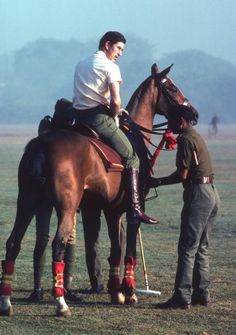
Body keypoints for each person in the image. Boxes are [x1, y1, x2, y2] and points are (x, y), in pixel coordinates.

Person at [72, 31, 157, 225]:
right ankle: (135, 207)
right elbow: (116, 100)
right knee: (131, 157)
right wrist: (115, 111)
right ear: (108, 44)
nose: (120, 53)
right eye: (119, 48)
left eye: (122, 50)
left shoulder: (82, 62)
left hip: (79, 121)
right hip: (100, 120)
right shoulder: (110, 66)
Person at [149, 105, 220, 309]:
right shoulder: (195, 136)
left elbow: (182, 175)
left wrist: (158, 181)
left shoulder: (185, 139)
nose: (169, 125)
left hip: (198, 194)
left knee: (187, 248)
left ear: (181, 121)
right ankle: (201, 294)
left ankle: (181, 297)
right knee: (201, 247)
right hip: (212, 192)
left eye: (171, 120)